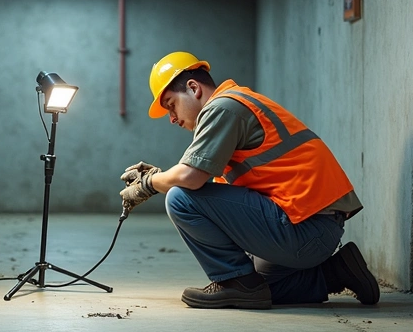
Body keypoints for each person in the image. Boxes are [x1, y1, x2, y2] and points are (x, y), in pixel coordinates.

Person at [119, 52, 379, 310]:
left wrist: (149, 183)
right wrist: (160, 177)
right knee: (262, 287)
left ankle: (235, 283)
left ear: (193, 88)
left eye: (171, 105)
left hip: (305, 228)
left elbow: (190, 177)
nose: (172, 118)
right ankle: (337, 272)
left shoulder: (223, 108)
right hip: (316, 229)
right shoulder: (236, 103)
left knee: (180, 198)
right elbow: (216, 195)